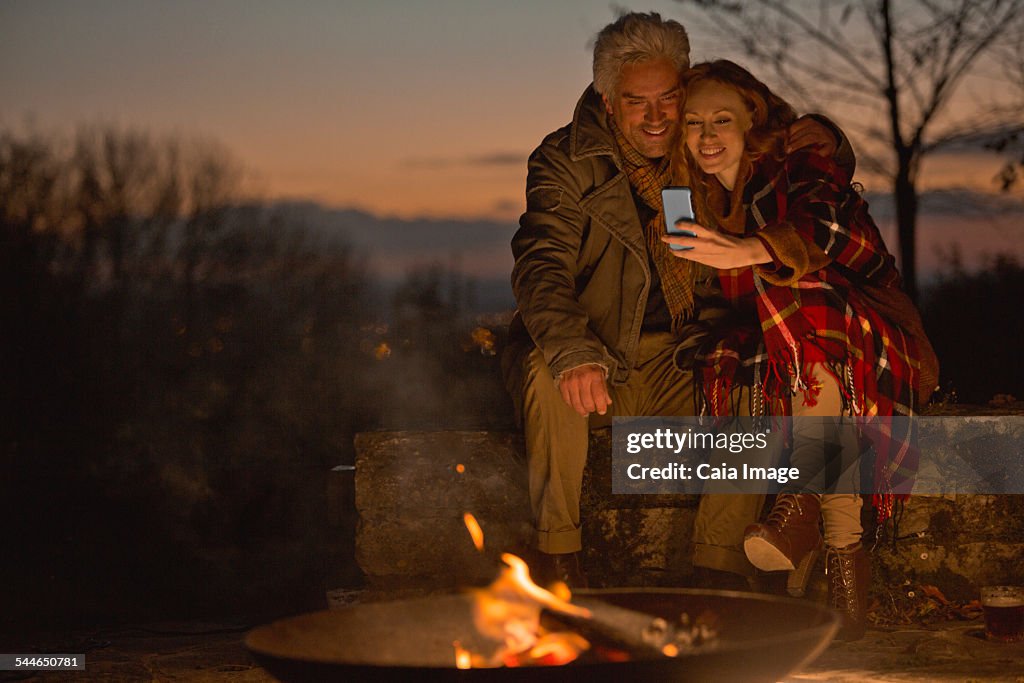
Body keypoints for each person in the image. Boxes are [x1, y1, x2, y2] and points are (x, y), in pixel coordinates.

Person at [502, 12, 852, 591]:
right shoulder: (564, 160)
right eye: (639, 103)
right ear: (609, 101)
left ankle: (717, 575)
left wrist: (827, 137)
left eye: (670, 98)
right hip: (600, 354)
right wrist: (572, 350)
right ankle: (558, 561)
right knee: (547, 373)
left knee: (749, 378)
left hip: (684, 356)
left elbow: (775, 137)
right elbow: (540, 263)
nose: (659, 117)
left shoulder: (700, 148)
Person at [663, 59, 939, 639]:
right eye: (693, 123)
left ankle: (801, 501)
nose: (707, 136)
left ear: (752, 123)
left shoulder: (799, 165)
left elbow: (825, 230)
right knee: (804, 376)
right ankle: (845, 596)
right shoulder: (692, 199)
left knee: (801, 297)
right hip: (795, 350)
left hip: (862, 330)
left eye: (722, 120)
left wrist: (750, 250)